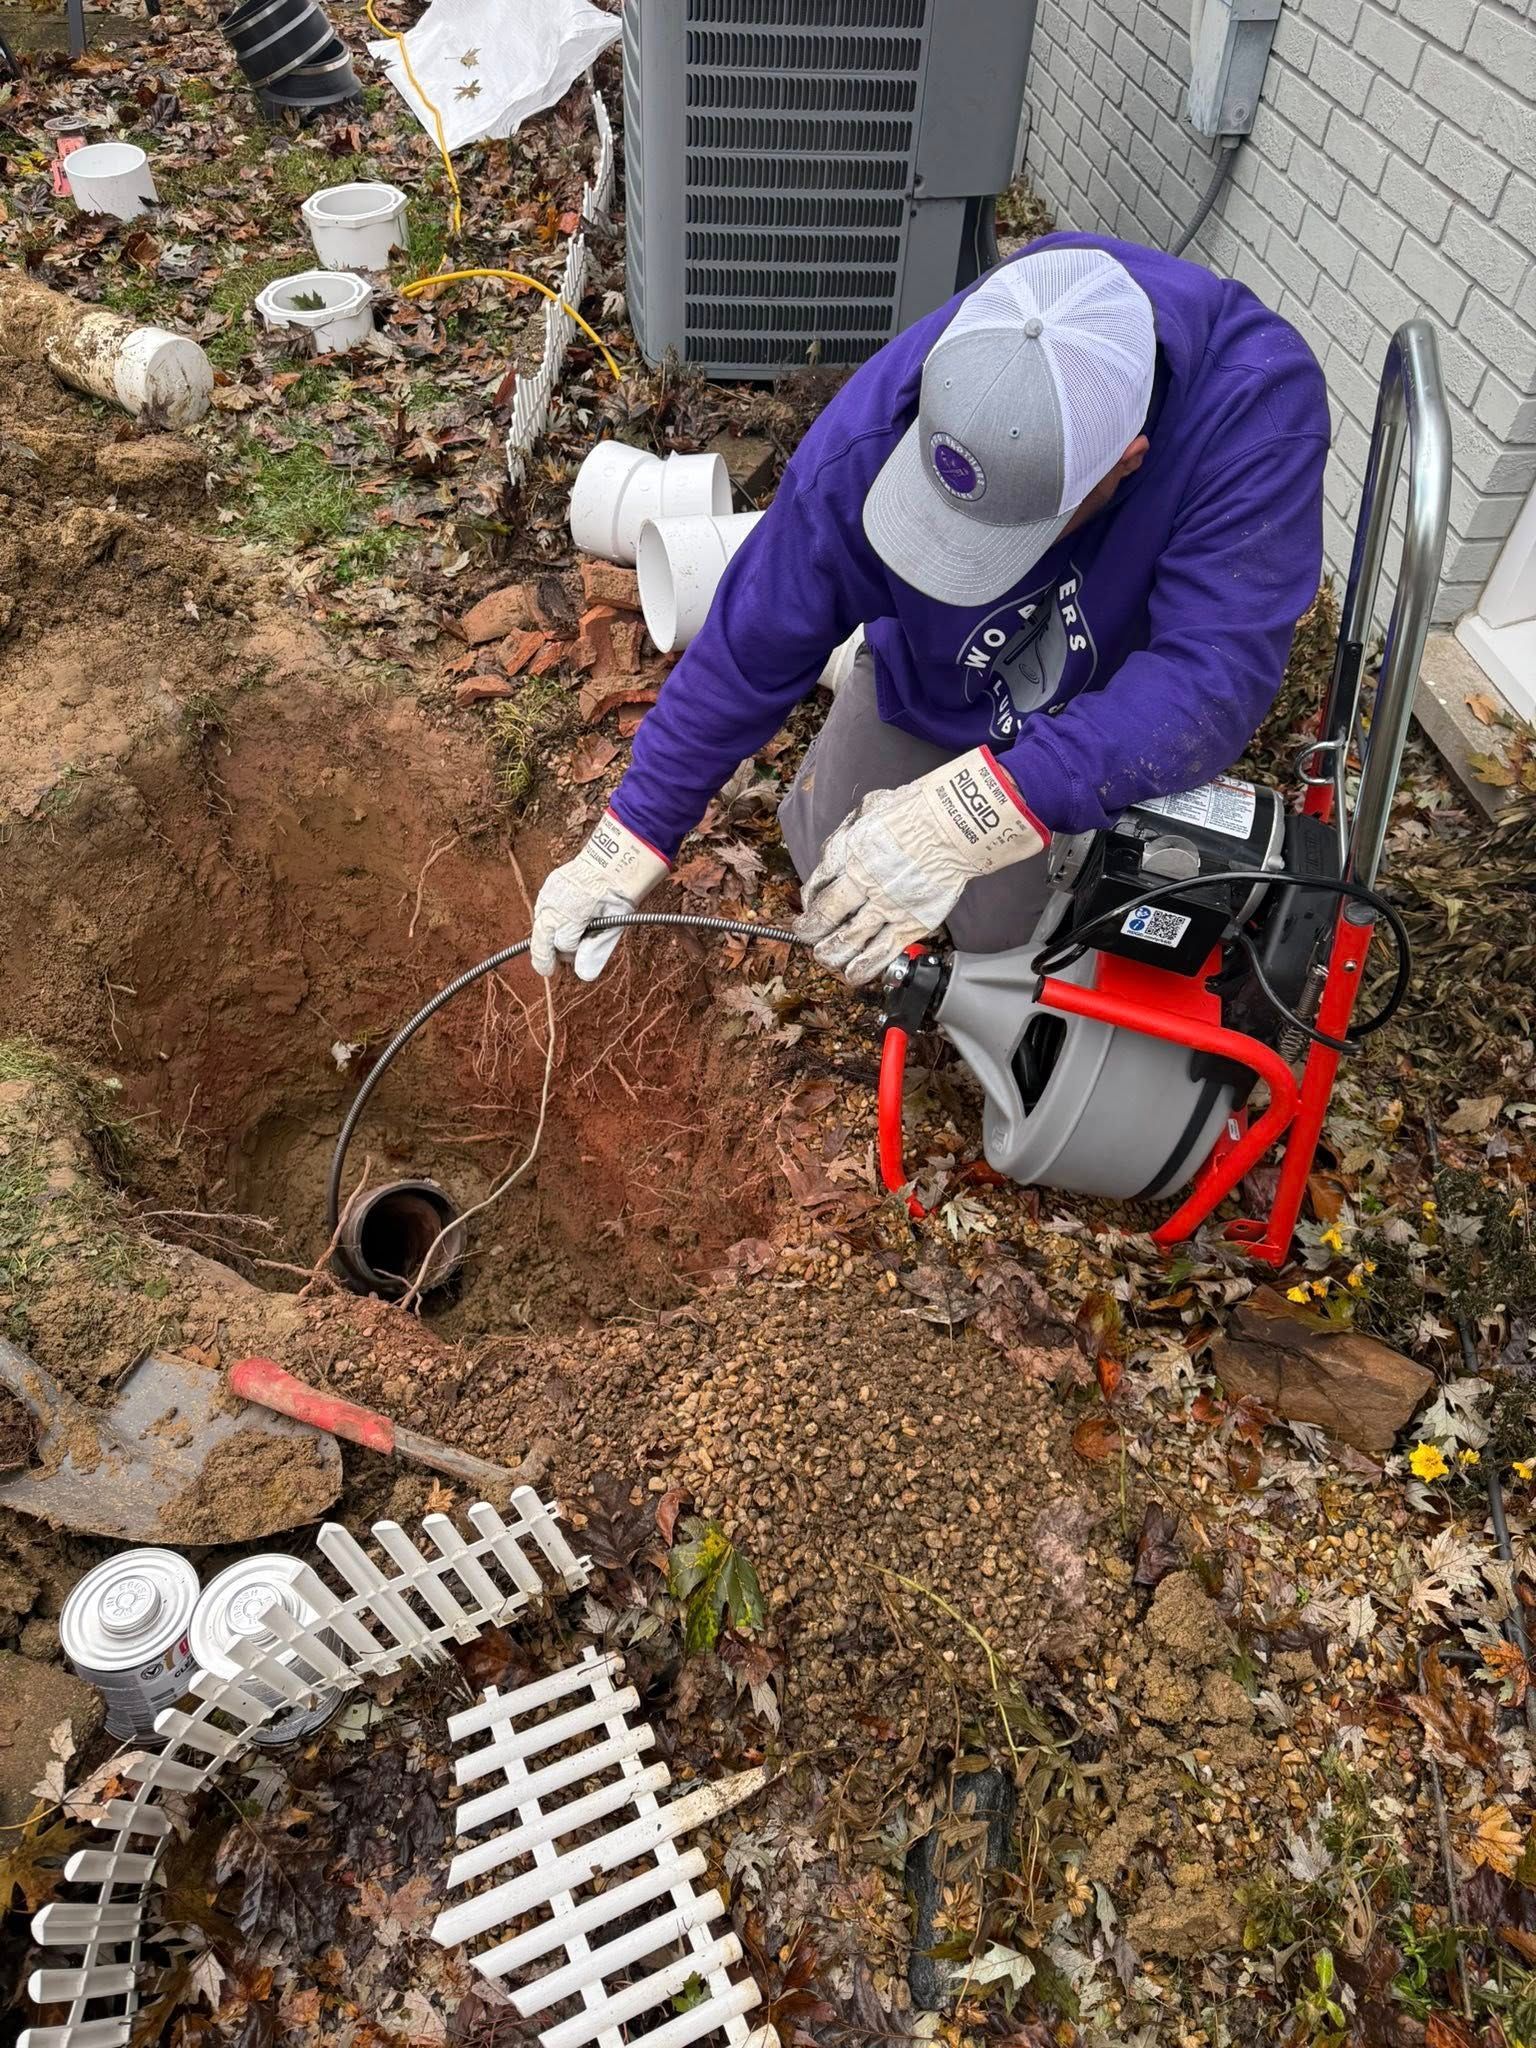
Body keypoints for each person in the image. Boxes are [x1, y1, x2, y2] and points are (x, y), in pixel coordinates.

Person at [530, 233, 1330, 986]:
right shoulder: (917, 396)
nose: (960, 559)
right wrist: (628, 837)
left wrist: (976, 814)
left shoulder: (1253, 413)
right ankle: (872, 670)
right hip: (933, 666)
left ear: (1125, 466)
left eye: (997, 536)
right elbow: (758, 633)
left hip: (1102, 709)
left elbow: (1209, 682)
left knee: (1007, 946)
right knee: (826, 857)